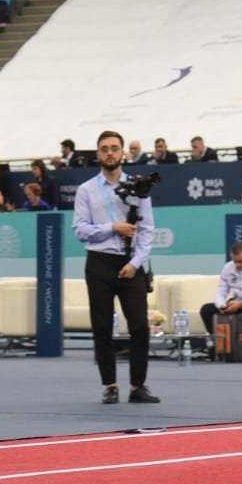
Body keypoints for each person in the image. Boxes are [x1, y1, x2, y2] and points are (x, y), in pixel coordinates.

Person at [72, 130, 160, 404]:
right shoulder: (86, 190)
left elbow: (147, 230)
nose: (109, 153)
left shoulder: (139, 186)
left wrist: (135, 264)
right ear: (98, 154)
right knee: (101, 327)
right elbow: (80, 230)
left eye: (114, 148)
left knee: (140, 327)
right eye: (104, 149)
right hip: (99, 262)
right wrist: (113, 228)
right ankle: (109, 385)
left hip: (131, 262)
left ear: (123, 152)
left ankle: (138, 386)